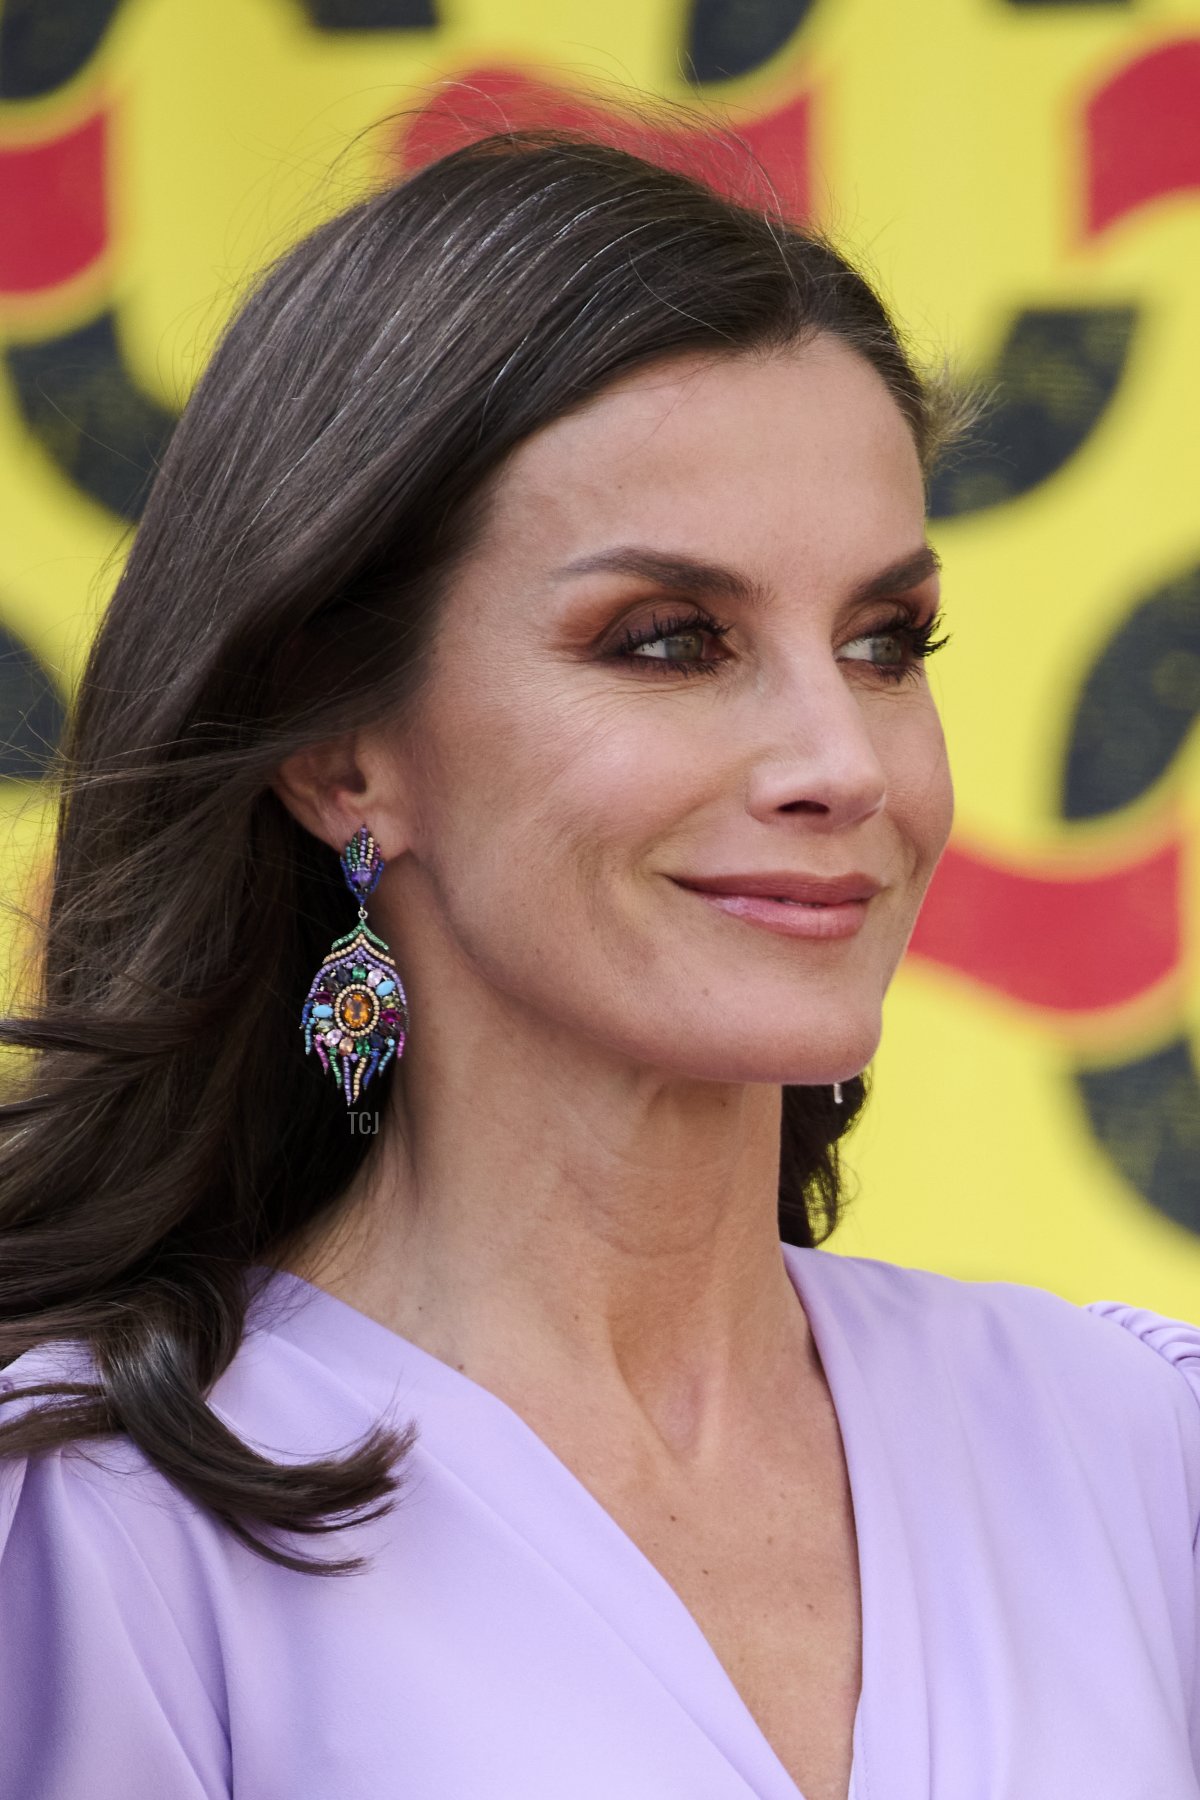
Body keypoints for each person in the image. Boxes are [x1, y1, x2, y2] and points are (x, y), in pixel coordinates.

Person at [0, 126, 1197, 1800]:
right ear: (347, 750)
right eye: (668, 642)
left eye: (882, 643)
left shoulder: (1135, 1453)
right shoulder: (104, 1522)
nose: (841, 761)